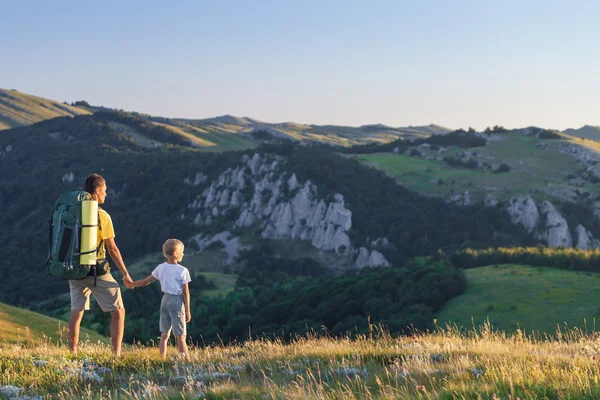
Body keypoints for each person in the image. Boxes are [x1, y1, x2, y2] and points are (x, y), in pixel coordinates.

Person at [68, 173, 133, 357]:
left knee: (76, 312)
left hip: (74, 269)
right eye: (104, 191)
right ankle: (116, 355)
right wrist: (125, 273)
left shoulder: (74, 211)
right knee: (119, 312)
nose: (106, 194)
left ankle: (72, 353)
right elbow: (112, 249)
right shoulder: (102, 215)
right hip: (97, 271)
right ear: (96, 191)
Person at [128, 238, 192, 361]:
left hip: (164, 300)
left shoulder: (160, 268)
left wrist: (132, 284)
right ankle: (186, 359)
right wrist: (188, 311)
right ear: (175, 253)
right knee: (180, 334)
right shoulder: (183, 271)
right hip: (176, 301)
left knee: (164, 333)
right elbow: (185, 292)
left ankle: (162, 358)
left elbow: (146, 281)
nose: (183, 254)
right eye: (182, 251)